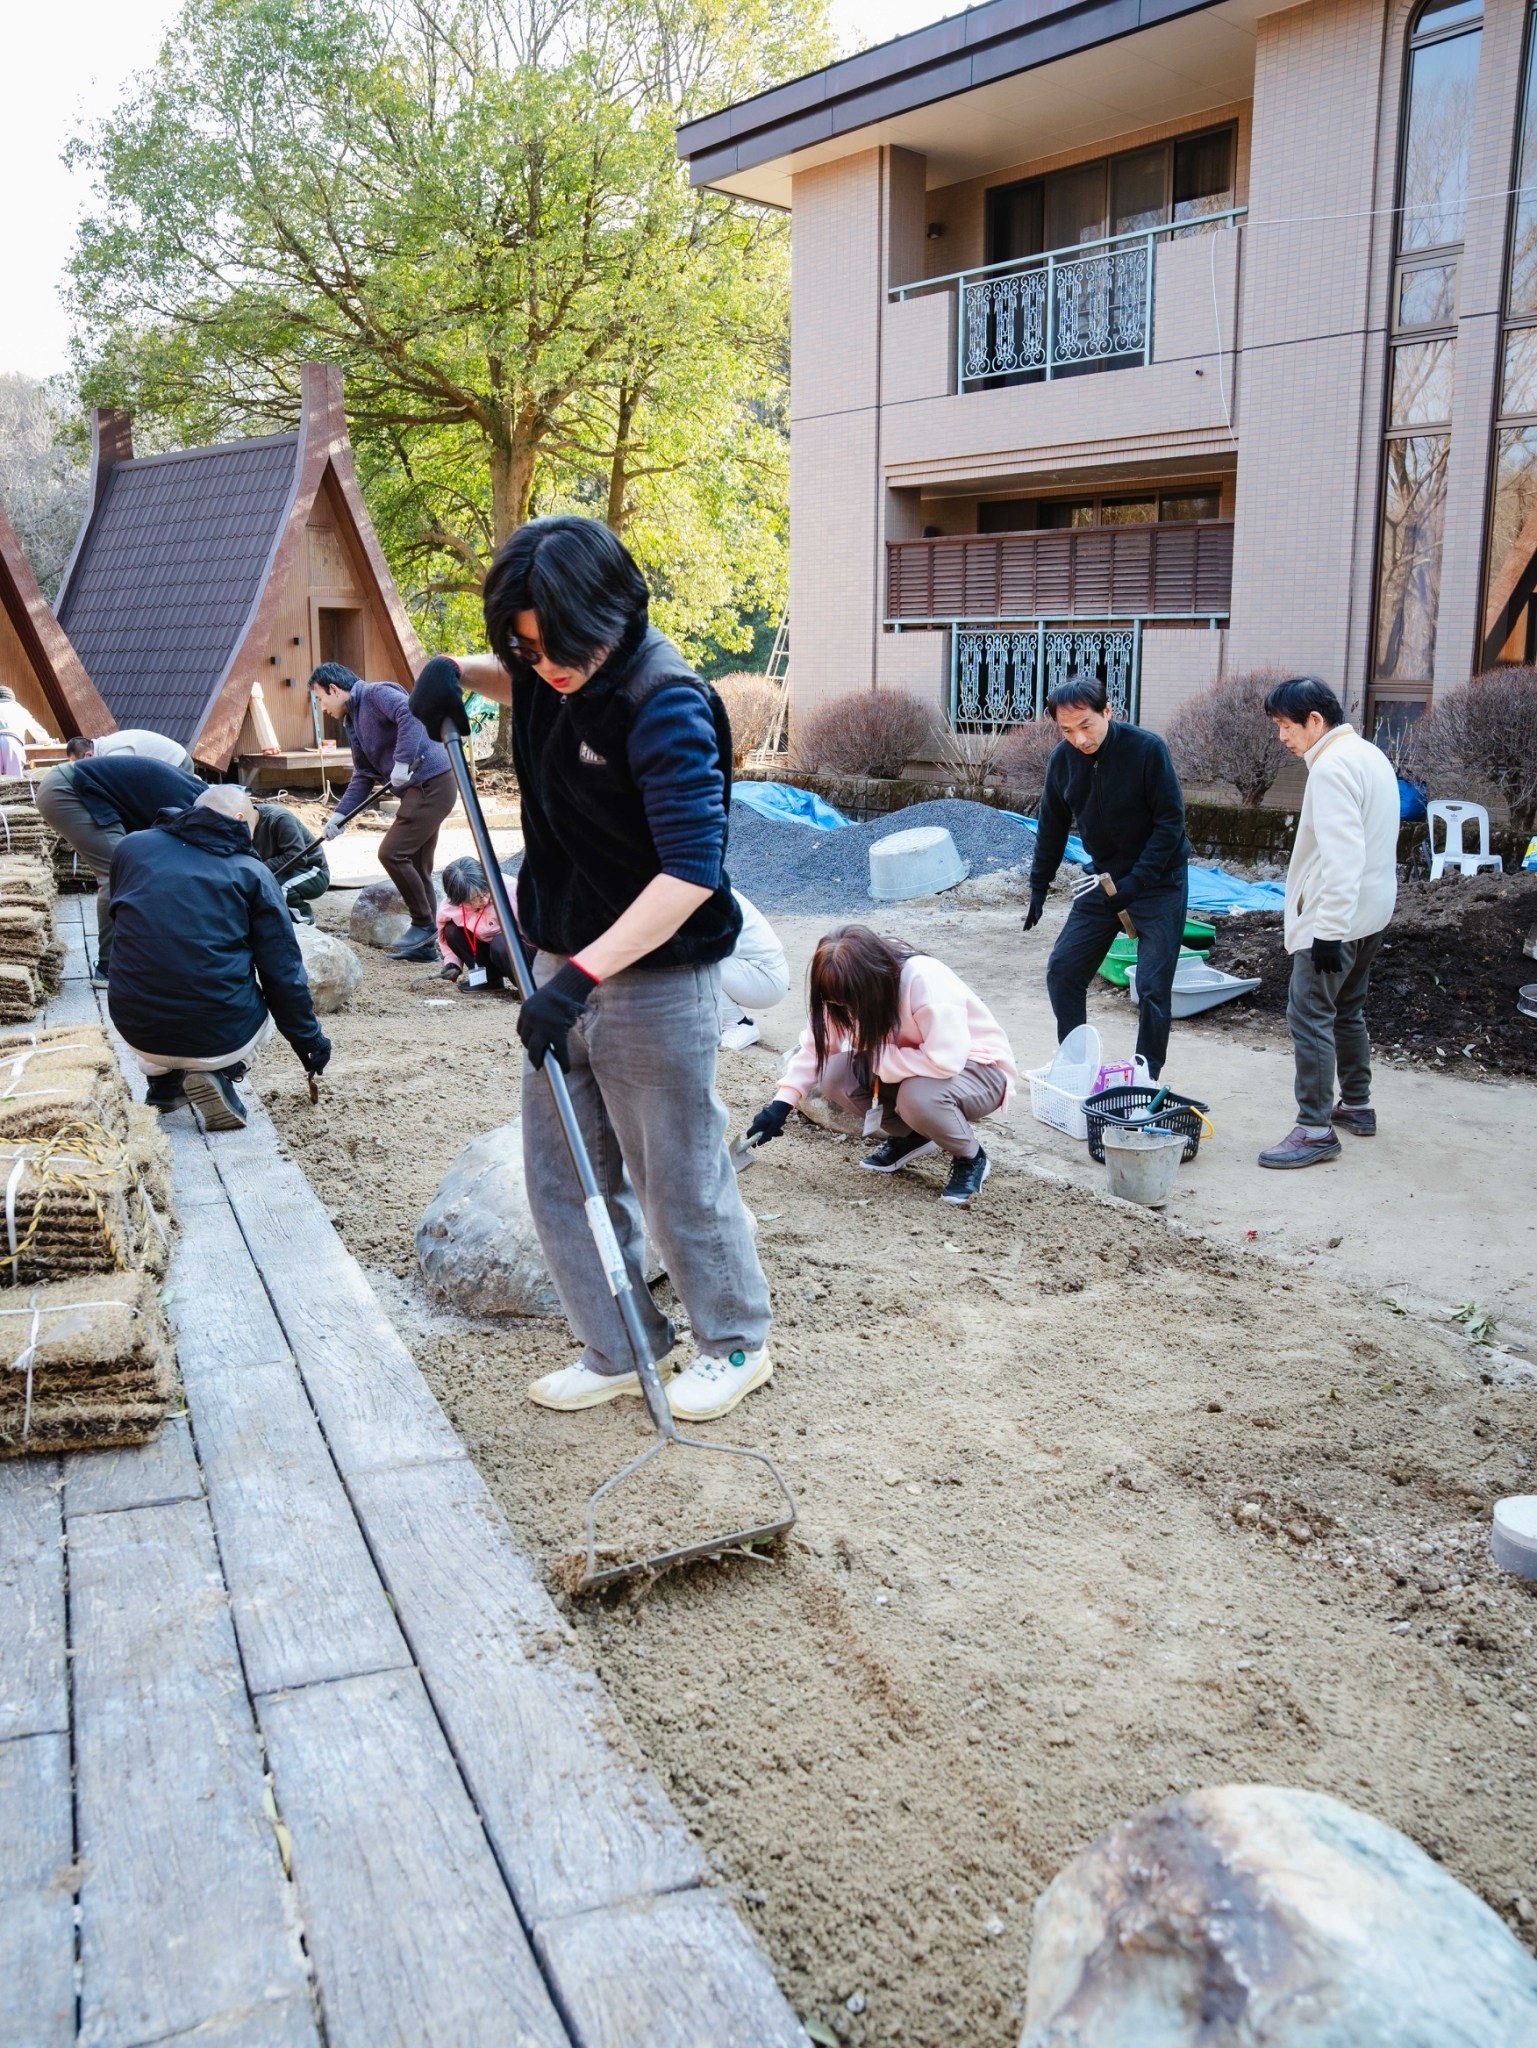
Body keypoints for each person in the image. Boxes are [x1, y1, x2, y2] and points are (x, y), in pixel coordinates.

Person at [409, 514, 771, 1424]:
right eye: (525, 648)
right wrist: (457, 669)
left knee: (675, 1174)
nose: (546, 666)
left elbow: (690, 873)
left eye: (558, 647)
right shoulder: (546, 669)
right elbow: (515, 670)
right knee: (562, 1174)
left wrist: (578, 978)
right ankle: (618, 1345)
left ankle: (733, 1343)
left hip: (653, 974)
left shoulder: (665, 701)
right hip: (558, 957)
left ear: (610, 612)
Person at [106, 785, 330, 1131]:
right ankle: (222, 1072)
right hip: (217, 1037)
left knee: (155, 963)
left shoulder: (131, 847)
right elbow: (282, 973)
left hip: (135, 1027)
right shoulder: (251, 872)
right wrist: (309, 1040)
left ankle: (163, 1084)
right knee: (261, 993)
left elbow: (120, 918)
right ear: (239, 819)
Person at [746, 926, 1015, 1206]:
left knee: (917, 1096)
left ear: (870, 982)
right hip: (910, 1065)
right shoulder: (841, 991)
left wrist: (879, 1058)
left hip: (979, 1070)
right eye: (835, 1001)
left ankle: (971, 1157)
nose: (844, 1009)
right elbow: (817, 1048)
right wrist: (781, 1104)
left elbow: (946, 1060)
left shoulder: (922, 979)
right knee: (834, 1075)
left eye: (848, 1001)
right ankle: (912, 1137)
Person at [1258, 675, 1399, 1170]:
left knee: (1309, 1015)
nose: (1282, 737)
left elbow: (1344, 858)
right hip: (1372, 911)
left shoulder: (1331, 767)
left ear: (1315, 720)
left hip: (1336, 916)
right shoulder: (1368, 754)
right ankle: (1357, 1105)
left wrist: (1327, 932)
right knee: (1347, 1009)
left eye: (1285, 725)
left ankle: (1315, 1129)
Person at [1024, 673, 1190, 1080]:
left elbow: (1170, 823)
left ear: (1107, 712)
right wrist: (1039, 885)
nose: (1079, 739)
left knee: (1151, 985)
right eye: (1067, 731)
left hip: (1159, 881)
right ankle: (1074, 1063)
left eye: (1086, 725)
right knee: (1063, 970)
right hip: (1103, 878)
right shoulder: (1062, 760)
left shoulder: (1146, 750)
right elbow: (1052, 827)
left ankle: (1145, 1073)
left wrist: (1138, 880)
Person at [307, 662, 456, 961]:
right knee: (417, 864)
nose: (322, 707)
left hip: (432, 782)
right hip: (418, 788)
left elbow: (410, 714)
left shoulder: (375, 694)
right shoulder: (352, 721)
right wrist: (340, 816)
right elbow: (363, 774)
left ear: (334, 689)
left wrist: (402, 761)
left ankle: (423, 924)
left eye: (320, 698)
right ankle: (426, 947)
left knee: (392, 853)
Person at [34, 752, 205, 985]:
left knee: (133, 869)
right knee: (119, 871)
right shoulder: (192, 809)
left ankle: (134, 954)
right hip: (68, 791)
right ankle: (109, 967)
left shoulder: (198, 801)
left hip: (83, 791)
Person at [718, 889, 789, 1050]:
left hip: (765, 978)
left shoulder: (701, 888)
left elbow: (723, 947)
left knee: (694, 962)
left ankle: (737, 1024)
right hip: (749, 970)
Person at [436, 856, 516, 988]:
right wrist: (452, 962)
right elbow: (443, 939)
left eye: (485, 892)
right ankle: (489, 979)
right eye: (475, 898)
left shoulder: (510, 889)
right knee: (451, 931)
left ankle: (529, 985)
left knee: (501, 942)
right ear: (459, 899)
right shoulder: (449, 908)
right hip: (489, 950)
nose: (484, 900)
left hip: (518, 950)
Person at [252, 800, 330, 924]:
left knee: (279, 886)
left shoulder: (280, 818)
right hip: (281, 871)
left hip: (312, 872)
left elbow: (297, 858)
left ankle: (304, 924)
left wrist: (258, 868)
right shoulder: (238, 824)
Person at [66, 730, 196, 772]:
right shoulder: (106, 747)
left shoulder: (113, 755)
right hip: (172, 762)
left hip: (178, 763)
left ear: (88, 755)